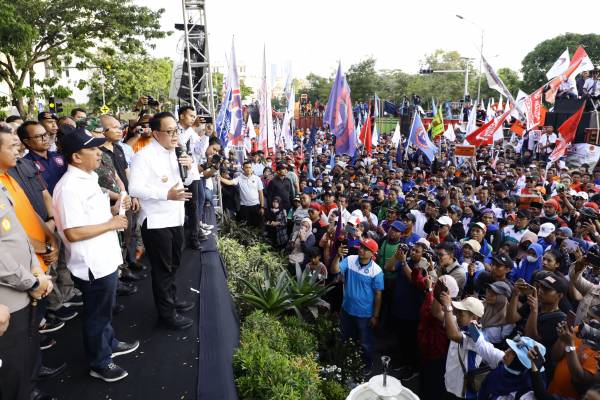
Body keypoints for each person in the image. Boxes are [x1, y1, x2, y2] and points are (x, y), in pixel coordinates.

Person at [53, 128, 139, 382]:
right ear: (76, 157)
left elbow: (91, 217)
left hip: (104, 258)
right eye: (92, 149)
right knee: (96, 315)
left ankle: (108, 344)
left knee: (104, 311)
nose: (98, 154)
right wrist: (111, 224)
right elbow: (73, 232)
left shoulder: (88, 179)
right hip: (92, 264)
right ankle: (99, 362)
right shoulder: (69, 187)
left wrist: (113, 210)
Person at [129, 112, 197, 330]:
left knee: (175, 262)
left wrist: (190, 167)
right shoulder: (144, 156)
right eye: (169, 132)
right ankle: (167, 315)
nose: (175, 135)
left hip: (176, 217)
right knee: (162, 269)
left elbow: (188, 180)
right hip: (156, 220)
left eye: (176, 130)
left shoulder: (178, 151)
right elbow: (135, 188)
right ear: (156, 133)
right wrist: (165, 194)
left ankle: (172, 299)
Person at [0, 132, 55, 400]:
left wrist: (36, 271)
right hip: (9, 295)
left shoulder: (8, 179)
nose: (18, 149)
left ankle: (28, 388)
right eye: (12, 145)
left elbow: (18, 232)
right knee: (10, 364)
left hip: (26, 283)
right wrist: (32, 281)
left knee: (23, 352)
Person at [330, 238, 383, 374]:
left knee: (365, 342)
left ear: (373, 254)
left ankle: (367, 364)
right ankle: (347, 359)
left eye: (366, 249)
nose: (361, 250)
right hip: (347, 309)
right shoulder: (350, 260)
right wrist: (337, 255)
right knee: (346, 337)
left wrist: (375, 316)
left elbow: (378, 295)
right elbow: (334, 270)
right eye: (361, 247)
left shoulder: (376, 271)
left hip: (365, 314)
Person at [439, 294, 485, 400]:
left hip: (462, 392)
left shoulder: (477, 335)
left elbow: (453, 335)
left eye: (461, 313)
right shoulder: (459, 324)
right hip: (450, 384)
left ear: (474, 318)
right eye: (458, 312)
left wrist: (448, 307)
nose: (457, 315)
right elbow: (437, 312)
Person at [219, 160, 265, 228]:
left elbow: (261, 193)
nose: (248, 169)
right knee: (246, 227)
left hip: (256, 206)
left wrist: (262, 207)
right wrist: (219, 178)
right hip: (244, 207)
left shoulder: (257, 178)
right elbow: (230, 182)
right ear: (243, 168)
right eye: (246, 167)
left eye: (250, 167)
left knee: (257, 227)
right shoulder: (239, 178)